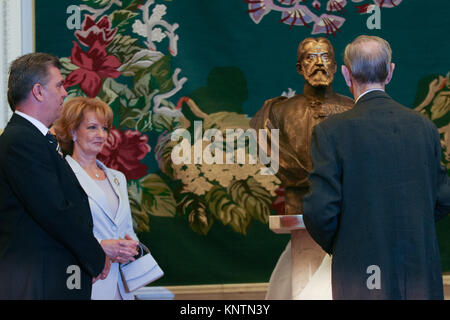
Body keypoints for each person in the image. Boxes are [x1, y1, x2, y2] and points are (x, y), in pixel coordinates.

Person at [303, 35, 450, 299]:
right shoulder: (425, 127)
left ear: (346, 75)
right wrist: (411, 228)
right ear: (390, 72)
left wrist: (347, 244)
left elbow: (319, 211)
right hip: (419, 269)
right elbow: (443, 197)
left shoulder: (330, 132)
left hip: (360, 273)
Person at [250, 37, 353, 299]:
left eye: (325, 56)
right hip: (299, 205)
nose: (319, 63)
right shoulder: (274, 114)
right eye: (310, 57)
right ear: (299, 67)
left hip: (346, 211)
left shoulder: (354, 110)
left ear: (336, 65)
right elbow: (271, 154)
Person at [0, 53, 109, 299]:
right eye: (59, 85)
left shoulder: (35, 139)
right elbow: (54, 209)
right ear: (38, 91)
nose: (64, 93)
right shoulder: (22, 140)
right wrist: (96, 256)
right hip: (38, 282)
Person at [53, 96, 140, 300]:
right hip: (85, 280)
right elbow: (59, 231)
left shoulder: (118, 178)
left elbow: (126, 228)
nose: (101, 135)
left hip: (122, 285)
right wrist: (101, 245)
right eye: (92, 127)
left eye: (105, 128)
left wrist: (131, 246)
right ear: (73, 131)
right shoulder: (62, 176)